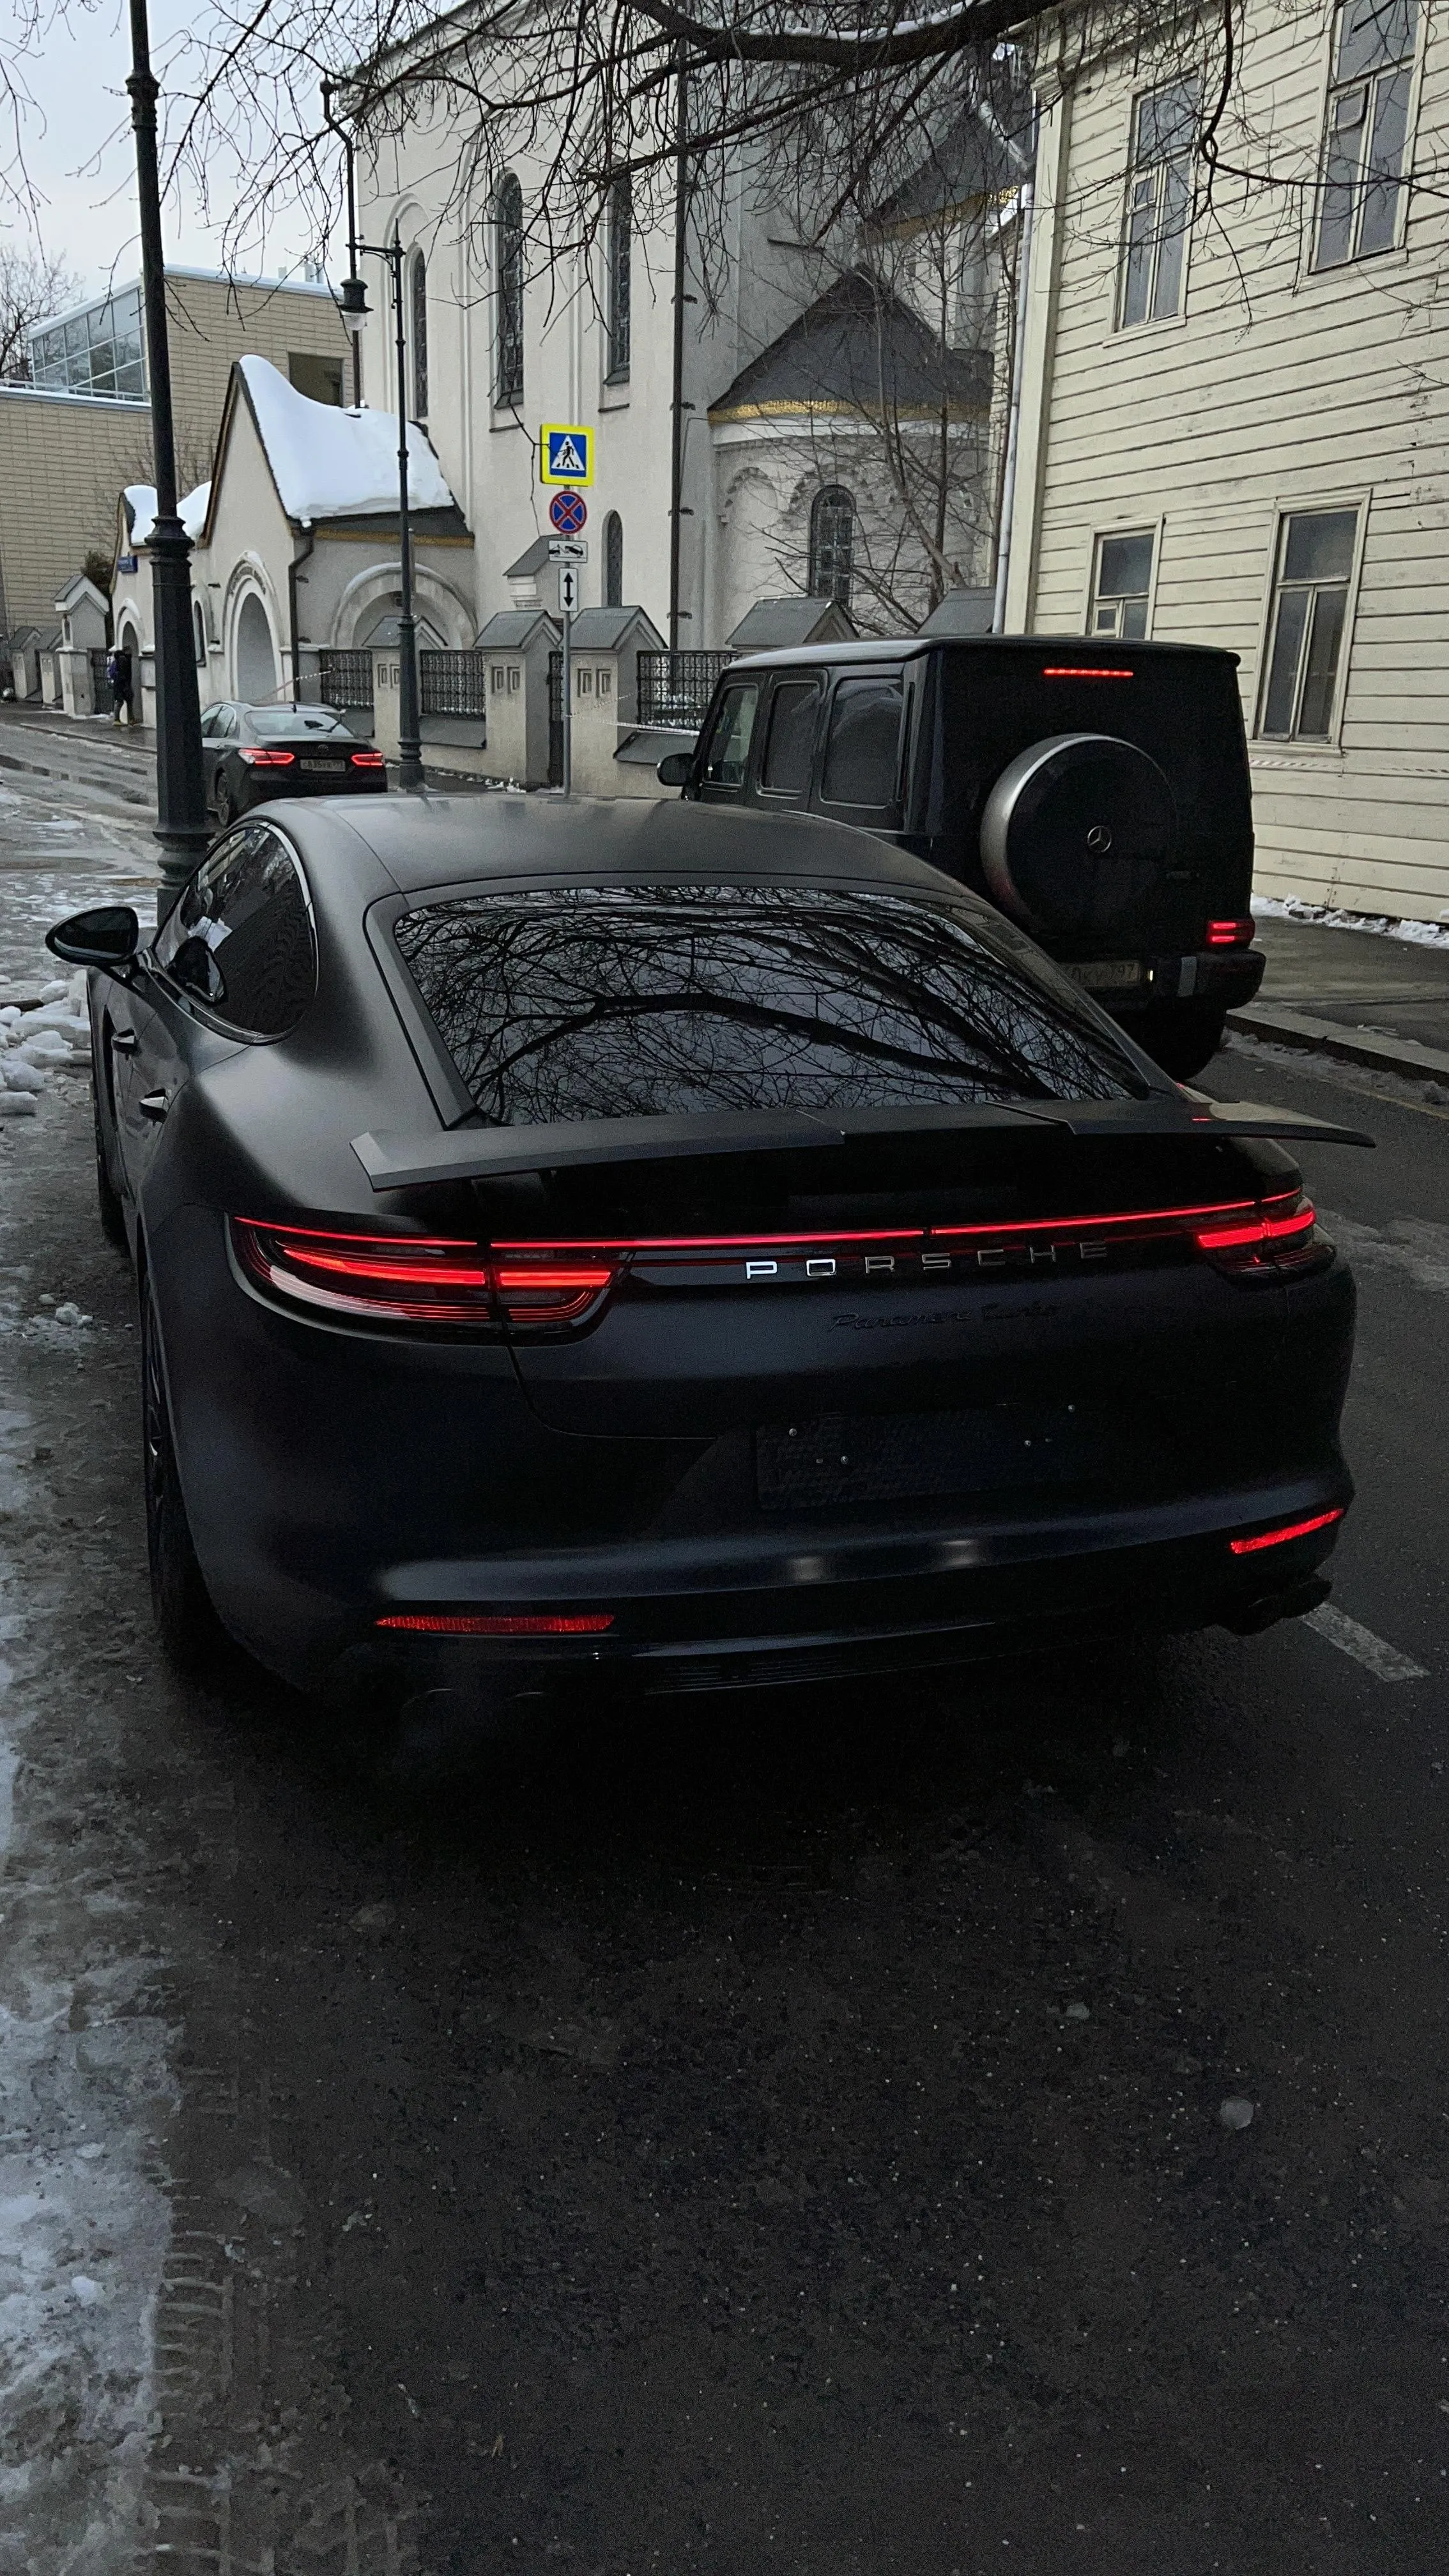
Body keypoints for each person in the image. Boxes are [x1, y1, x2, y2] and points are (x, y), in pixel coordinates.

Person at [106, 643, 134, 724]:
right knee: (125, 701)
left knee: (121, 701)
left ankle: (118, 719)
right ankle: (123, 719)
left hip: (118, 684)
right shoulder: (123, 659)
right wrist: (125, 682)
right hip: (123, 684)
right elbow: (124, 672)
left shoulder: (116, 661)